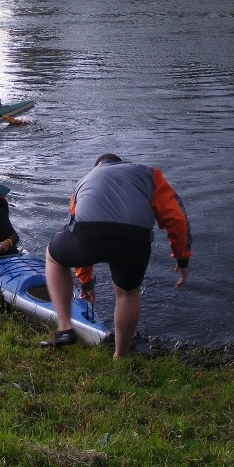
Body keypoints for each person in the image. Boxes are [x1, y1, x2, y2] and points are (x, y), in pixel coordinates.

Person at [42, 153, 192, 358]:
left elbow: (74, 226)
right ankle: (120, 356)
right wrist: (182, 258)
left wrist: (86, 283)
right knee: (127, 293)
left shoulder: (85, 180)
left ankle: (65, 328)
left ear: (99, 165)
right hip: (134, 238)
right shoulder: (150, 174)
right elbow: (177, 218)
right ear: (120, 163)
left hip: (89, 232)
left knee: (54, 257)